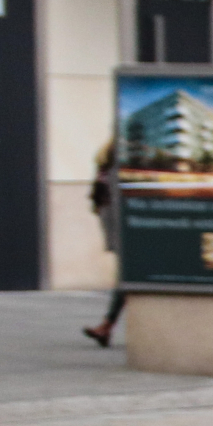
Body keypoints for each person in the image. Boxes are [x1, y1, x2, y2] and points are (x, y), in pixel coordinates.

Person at [82, 141, 125, 347]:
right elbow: (99, 199)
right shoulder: (109, 163)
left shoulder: (111, 163)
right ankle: (107, 326)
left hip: (125, 227)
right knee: (126, 277)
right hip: (119, 227)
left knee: (126, 278)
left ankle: (107, 326)